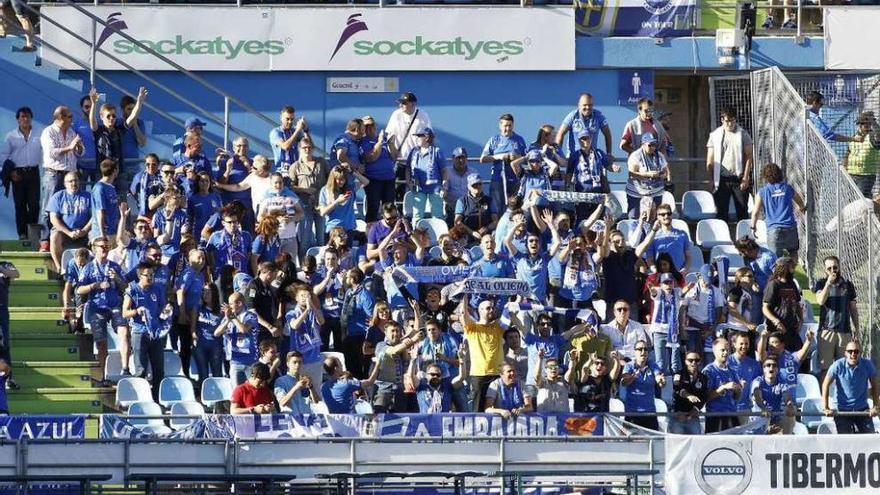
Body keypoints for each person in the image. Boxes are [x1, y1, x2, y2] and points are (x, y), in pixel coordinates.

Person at [77, 236, 127, 383]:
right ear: (94, 248)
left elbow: (125, 288)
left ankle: (125, 369)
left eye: (107, 246)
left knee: (124, 331)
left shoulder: (115, 266)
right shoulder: (88, 268)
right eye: (102, 247)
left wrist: (117, 278)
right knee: (101, 343)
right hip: (96, 307)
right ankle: (103, 376)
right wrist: (95, 285)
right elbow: (79, 289)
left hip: (114, 305)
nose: (105, 249)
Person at [122, 263, 170, 397]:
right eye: (147, 275)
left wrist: (166, 312)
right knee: (140, 369)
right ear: (139, 275)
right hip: (139, 332)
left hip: (155, 332)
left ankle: (156, 398)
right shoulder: (132, 290)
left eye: (152, 275)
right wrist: (136, 311)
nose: (150, 277)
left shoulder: (158, 289)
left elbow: (162, 309)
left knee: (159, 370)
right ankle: (140, 398)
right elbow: (124, 313)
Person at [40, 106, 84, 251]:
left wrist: (77, 147)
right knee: (49, 208)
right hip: (54, 174)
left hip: (70, 174)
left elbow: (81, 153)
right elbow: (52, 152)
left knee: (73, 206)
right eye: (69, 116)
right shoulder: (49, 132)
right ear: (60, 117)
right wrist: (70, 147)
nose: (72, 119)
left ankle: (69, 236)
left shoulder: (71, 132)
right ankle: (45, 241)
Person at [813, 255, 858, 380]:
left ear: (839, 267)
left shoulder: (848, 285)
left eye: (835, 267)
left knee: (846, 367)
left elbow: (853, 308)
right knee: (825, 369)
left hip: (844, 331)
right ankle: (825, 397)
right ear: (825, 270)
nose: (833, 270)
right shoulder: (821, 283)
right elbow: (821, 301)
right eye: (829, 268)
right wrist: (828, 283)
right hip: (827, 331)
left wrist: (857, 329)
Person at [0, 106, 42, 240]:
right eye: (22, 116)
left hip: (33, 172)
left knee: (34, 204)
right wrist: (11, 172)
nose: (25, 119)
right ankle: (22, 234)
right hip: (17, 174)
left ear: (31, 118)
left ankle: (33, 234)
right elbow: (3, 156)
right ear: (17, 119)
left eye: (28, 116)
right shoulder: (11, 136)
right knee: (20, 205)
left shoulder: (39, 133)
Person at [751, 162, 805, 263]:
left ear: (766, 176)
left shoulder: (763, 191)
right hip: (790, 226)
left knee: (775, 258)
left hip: (773, 229)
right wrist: (802, 207)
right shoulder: (787, 188)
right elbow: (798, 199)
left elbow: (755, 212)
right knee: (793, 252)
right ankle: (791, 273)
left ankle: (778, 276)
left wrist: (753, 226)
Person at [822, 341, 880, 434]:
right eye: (850, 351)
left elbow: (875, 384)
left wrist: (876, 406)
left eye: (856, 351)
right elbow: (825, 384)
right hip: (842, 410)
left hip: (862, 410)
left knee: (870, 440)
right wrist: (826, 407)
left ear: (860, 353)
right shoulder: (837, 365)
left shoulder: (868, 365)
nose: (853, 354)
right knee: (845, 443)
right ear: (845, 353)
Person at [706, 106, 753, 221]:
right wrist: (711, 179)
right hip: (721, 178)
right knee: (721, 212)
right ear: (722, 119)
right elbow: (710, 161)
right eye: (728, 121)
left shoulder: (742, 134)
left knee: (742, 210)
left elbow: (749, 156)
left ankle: (744, 238)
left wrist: (746, 177)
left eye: (733, 120)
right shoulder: (715, 135)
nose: (730, 124)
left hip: (738, 177)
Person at [460, 294, 505, 412]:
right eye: (488, 308)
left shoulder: (499, 326)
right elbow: (464, 314)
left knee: (498, 408)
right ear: (480, 311)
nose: (491, 310)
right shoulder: (472, 328)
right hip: (479, 375)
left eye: (492, 308)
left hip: (498, 374)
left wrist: (517, 299)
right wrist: (465, 296)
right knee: (478, 410)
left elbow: (509, 311)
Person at [288, 137, 329, 257]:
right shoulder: (295, 166)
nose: (307, 150)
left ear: (313, 148)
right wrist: (305, 190)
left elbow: (330, 179)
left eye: (309, 147)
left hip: (321, 203)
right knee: (305, 237)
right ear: (300, 149)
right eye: (304, 148)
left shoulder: (321, 162)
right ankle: (304, 265)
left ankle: (321, 263)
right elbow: (290, 187)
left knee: (321, 237)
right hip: (304, 204)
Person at [373, 317, 422, 413]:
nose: (395, 334)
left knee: (402, 420)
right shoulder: (381, 345)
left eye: (397, 331)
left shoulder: (401, 346)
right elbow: (392, 352)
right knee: (377, 418)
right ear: (385, 332)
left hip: (399, 390)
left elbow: (414, 333)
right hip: (383, 390)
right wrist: (411, 341)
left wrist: (417, 313)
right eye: (392, 331)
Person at [46, 171, 91, 273]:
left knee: (96, 235)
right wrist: (69, 232)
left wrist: (84, 231)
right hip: (65, 233)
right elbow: (53, 219)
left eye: (75, 180)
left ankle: (94, 267)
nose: (73, 183)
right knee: (54, 235)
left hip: (83, 232)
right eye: (70, 181)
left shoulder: (88, 196)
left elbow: (94, 217)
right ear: (65, 184)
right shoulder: (58, 196)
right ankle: (60, 268)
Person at [481, 114, 527, 214]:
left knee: (515, 208)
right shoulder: (494, 140)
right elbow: (483, 159)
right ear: (500, 126)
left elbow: (526, 158)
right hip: (498, 179)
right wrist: (500, 157)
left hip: (515, 179)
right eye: (505, 126)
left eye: (510, 125)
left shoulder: (519, 140)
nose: (508, 128)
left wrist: (517, 157)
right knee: (496, 209)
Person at [213, 292, 259, 386]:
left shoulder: (250, 316)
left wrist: (233, 318)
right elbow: (216, 333)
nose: (229, 307)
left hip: (250, 361)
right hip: (235, 361)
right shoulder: (228, 318)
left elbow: (244, 330)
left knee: (252, 390)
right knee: (236, 391)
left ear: (239, 303)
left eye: (230, 304)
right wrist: (228, 320)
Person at [284, 285, 325, 392]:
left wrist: (312, 307)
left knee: (316, 390)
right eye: (302, 296)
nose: (304, 298)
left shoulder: (315, 312)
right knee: (299, 391)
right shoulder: (291, 313)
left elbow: (321, 321)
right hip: (299, 360)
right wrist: (306, 311)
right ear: (296, 298)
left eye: (307, 296)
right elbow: (294, 325)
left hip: (315, 359)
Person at [683, 264, 726, 361]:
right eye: (705, 280)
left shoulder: (716, 291)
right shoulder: (692, 290)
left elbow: (719, 312)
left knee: (709, 358)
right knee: (693, 357)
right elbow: (683, 311)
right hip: (692, 328)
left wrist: (711, 330)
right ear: (699, 276)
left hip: (709, 329)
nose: (707, 283)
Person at [360, 116, 399, 223]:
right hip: (373, 179)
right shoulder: (363, 142)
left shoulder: (383, 139)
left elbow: (395, 157)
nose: (370, 128)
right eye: (366, 126)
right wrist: (380, 143)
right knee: (373, 206)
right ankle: (371, 234)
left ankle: (390, 232)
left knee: (389, 207)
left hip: (389, 178)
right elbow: (371, 158)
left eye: (372, 125)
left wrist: (391, 144)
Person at [555, 93, 614, 162]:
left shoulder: (598, 116)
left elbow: (607, 134)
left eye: (590, 105)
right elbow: (560, 134)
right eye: (584, 105)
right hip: (574, 159)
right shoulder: (573, 116)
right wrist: (558, 155)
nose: (588, 107)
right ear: (579, 105)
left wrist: (609, 153)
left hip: (591, 158)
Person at [620, 340, 665, 431]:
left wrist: (661, 381)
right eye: (640, 349)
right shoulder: (629, 366)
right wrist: (633, 377)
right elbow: (624, 383)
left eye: (645, 349)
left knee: (653, 442)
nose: (643, 352)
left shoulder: (653, 365)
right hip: (632, 413)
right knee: (630, 443)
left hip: (649, 413)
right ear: (634, 352)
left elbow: (658, 378)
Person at [762, 257, 804, 353]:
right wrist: (776, 322)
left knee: (798, 355)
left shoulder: (792, 284)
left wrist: (801, 320)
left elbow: (797, 304)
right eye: (791, 266)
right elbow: (765, 308)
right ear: (784, 267)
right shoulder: (773, 284)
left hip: (791, 328)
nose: (793, 269)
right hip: (777, 329)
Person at [410, 346, 469, 414]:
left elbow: (461, 377)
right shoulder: (421, 385)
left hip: (442, 422)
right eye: (432, 374)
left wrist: (462, 360)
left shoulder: (447, 386)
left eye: (438, 375)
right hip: (425, 422)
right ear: (426, 374)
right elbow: (412, 377)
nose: (435, 376)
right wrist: (413, 360)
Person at [406, 127, 447, 223]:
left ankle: (438, 236)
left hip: (435, 189)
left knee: (437, 216)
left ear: (427, 137)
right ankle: (416, 235)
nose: (417, 138)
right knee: (417, 216)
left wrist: (444, 186)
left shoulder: (437, 151)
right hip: (418, 188)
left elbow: (444, 171)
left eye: (420, 136)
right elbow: (408, 168)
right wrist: (409, 182)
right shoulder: (414, 151)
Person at [340, 268, 375, 379]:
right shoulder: (349, 293)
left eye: (348, 276)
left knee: (361, 367)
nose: (346, 278)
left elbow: (372, 316)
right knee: (350, 365)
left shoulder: (365, 296)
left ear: (353, 279)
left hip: (360, 335)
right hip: (348, 332)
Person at [318, 165, 369, 239]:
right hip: (333, 229)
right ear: (333, 179)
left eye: (343, 179)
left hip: (349, 229)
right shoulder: (325, 190)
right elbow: (322, 212)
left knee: (347, 250)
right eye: (338, 179)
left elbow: (366, 182)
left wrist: (352, 171)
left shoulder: (350, 188)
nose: (341, 182)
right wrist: (337, 202)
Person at [625, 134, 669, 219]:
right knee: (635, 217)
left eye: (654, 145)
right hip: (637, 193)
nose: (653, 147)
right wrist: (648, 174)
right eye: (650, 145)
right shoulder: (635, 156)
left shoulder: (659, 155)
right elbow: (632, 174)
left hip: (656, 192)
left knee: (655, 217)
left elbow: (665, 171)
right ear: (643, 144)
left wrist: (662, 175)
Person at [702, 338, 742, 433]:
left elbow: (737, 397)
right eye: (722, 350)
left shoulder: (732, 370)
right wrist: (722, 388)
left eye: (727, 350)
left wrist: (738, 390)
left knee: (735, 444)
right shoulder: (708, 371)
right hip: (715, 415)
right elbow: (705, 397)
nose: (726, 353)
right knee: (716, 446)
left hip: (732, 413)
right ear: (715, 352)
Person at [752, 356, 797, 434]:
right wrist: (763, 408)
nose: (771, 367)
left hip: (775, 418)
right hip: (760, 418)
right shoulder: (758, 381)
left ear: (777, 369)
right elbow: (757, 396)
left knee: (790, 416)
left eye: (774, 365)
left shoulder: (781, 382)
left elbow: (787, 397)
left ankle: (788, 440)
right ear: (764, 369)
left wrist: (790, 406)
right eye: (768, 365)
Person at [645, 204, 691, 277]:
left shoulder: (682, 234)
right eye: (663, 214)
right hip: (661, 276)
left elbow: (688, 256)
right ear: (658, 217)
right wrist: (655, 271)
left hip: (679, 275)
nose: (666, 216)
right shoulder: (653, 236)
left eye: (668, 214)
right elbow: (649, 258)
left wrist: (685, 270)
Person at [842, 112, 880, 199]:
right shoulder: (854, 137)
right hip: (851, 174)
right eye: (863, 123)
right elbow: (847, 154)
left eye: (868, 123)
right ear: (859, 124)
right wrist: (844, 169)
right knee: (852, 200)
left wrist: (874, 123)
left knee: (862, 201)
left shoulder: (872, 137)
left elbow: (878, 135)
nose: (866, 125)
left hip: (866, 176)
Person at [727, 332, 762, 425]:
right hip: (728, 407)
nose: (744, 346)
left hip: (745, 408)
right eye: (741, 343)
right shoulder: (727, 362)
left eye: (746, 343)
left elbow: (758, 383)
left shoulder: (754, 364)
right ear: (734, 344)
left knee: (742, 437)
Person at [669, 351, 708, 435]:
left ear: (700, 361)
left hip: (693, 416)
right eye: (690, 360)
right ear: (685, 361)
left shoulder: (704, 378)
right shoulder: (678, 375)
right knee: (677, 443)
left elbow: (704, 396)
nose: (694, 362)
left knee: (696, 441)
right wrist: (688, 395)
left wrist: (696, 409)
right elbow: (677, 389)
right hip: (678, 414)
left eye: (696, 360)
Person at [385, 92, 431, 160]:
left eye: (404, 103)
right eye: (400, 103)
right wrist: (394, 155)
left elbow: (429, 138)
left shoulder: (423, 116)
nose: (400, 105)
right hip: (400, 160)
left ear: (413, 104)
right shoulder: (396, 114)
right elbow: (390, 138)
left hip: (417, 160)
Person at [454, 174, 498, 244]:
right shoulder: (461, 201)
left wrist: (487, 228)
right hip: (467, 236)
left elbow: (495, 221)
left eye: (479, 184)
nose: (477, 187)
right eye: (474, 185)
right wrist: (472, 233)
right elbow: (457, 222)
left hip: (486, 235)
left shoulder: (489, 200)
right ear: (468, 187)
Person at [269, 105, 307, 176]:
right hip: (282, 171)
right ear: (281, 118)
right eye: (287, 119)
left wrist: (306, 130)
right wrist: (298, 130)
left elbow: (308, 144)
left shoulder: (295, 131)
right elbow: (285, 146)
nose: (290, 122)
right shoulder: (276, 132)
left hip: (296, 169)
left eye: (292, 119)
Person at [90, 159, 121, 243]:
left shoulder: (111, 187)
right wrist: (102, 234)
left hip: (113, 231)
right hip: (103, 233)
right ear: (115, 171)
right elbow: (100, 212)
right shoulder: (99, 188)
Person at [0, 260, 19, 389]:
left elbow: (15, 274)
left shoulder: (5, 264)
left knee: (4, 342)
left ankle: (8, 377)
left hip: (1, 308)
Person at [444, 147, 476, 223]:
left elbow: (478, 191)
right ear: (453, 159)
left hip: (468, 209)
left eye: (463, 158)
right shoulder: (447, 172)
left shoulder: (473, 172)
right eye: (458, 158)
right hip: (452, 209)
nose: (461, 160)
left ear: (467, 159)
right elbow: (444, 190)